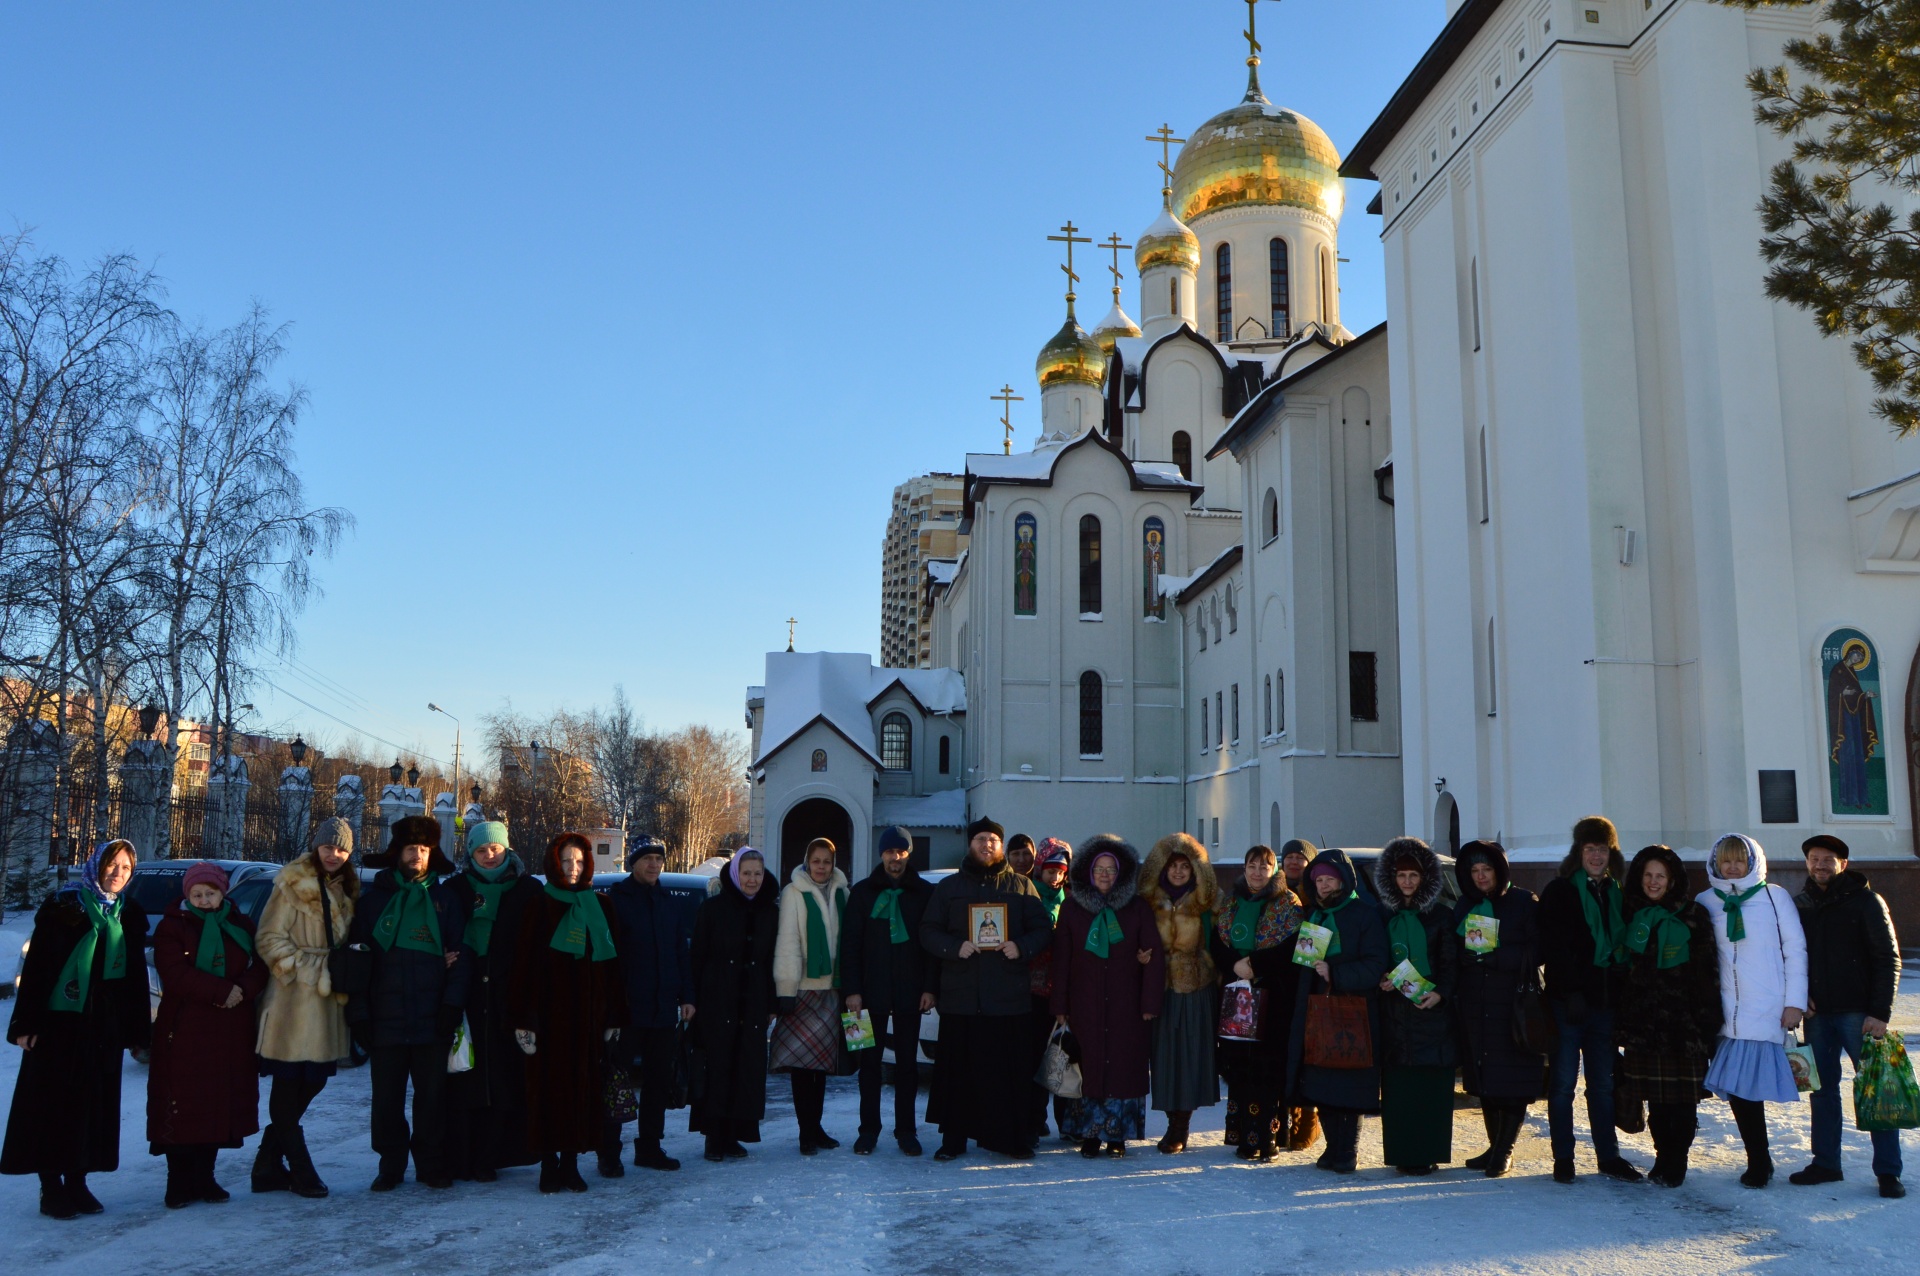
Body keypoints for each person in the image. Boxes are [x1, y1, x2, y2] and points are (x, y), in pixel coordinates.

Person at [2, 839, 151, 1219]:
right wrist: (25, 1023)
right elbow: (37, 969)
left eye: (126, 868)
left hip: (103, 1026)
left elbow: (134, 978)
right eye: (112, 865)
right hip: (59, 1023)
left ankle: (79, 1181)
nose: (118, 874)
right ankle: (51, 1187)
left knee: (93, 1106)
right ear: (96, 864)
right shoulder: (63, 907)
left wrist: (136, 1032)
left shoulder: (128, 914)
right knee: (53, 1104)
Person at [347, 814, 468, 1192]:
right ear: (397, 852)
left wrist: (450, 1007)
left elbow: (460, 957)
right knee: (386, 1102)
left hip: (433, 1018)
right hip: (385, 1019)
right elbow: (357, 961)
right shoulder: (372, 902)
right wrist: (360, 1015)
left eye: (426, 849)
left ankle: (431, 1164)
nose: (418, 855)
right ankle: (391, 1165)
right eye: (411, 848)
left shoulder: (446, 900)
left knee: (432, 1100)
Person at [921, 817, 1052, 1161]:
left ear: (1000, 846)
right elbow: (928, 931)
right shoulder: (948, 888)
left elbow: (1043, 929)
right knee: (957, 1075)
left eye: (993, 840)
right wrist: (955, 947)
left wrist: (1021, 947)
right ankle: (953, 1140)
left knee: (1006, 1076)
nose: (986, 845)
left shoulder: (1022, 887)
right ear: (970, 844)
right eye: (981, 839)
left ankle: (1009, 1139)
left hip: (1007, 1001)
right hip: (962, 998)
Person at [146, 861, 268, 1207]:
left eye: (209, 893)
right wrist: (220, 992)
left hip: (230, 1029)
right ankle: (178, 1181)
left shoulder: (240, 924)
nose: (203, 899)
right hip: (185, 1029)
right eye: (196, 894)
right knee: (182, 1105)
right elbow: (174, 972)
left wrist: (243, 989)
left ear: (221, 893)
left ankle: (206, 1177)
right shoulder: (173, 928)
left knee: (218, 1103)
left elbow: (259, 965)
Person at [510, 831, 626, 1193]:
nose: (572, 868)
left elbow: (613, 969)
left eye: (578, 861)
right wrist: (525, 1020)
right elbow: (523, 966)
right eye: (565, 861)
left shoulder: (601, 906)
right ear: (553, 863)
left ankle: (572, 1163)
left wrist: (612, 1018)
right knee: (546, 1092)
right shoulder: (539, 904)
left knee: (582, 1091)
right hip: (549, 1017)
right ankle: (548, 1163)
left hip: (588, 1019)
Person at [1791, 834, 1904, 1198]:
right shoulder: (1802, 905)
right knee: (1820, 1091)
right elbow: (1793, 958)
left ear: (1843, 864)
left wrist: (1879, 1012)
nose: (1820, 864)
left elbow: (1888, 959)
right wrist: (1799, 996)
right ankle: (1826, 1163)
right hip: (1819, 1015)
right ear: (1807, 863)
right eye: (1813, 858)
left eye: (1828, 859)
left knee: (1877, 1090)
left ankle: (1888, 1172)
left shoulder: (1867, 902)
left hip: (1860, 1015)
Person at [253, 819, 357, 1199]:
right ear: (317, 847)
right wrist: (306, 968)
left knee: (313, 1081)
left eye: (342, 849)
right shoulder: (292, 884)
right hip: (293, 1002)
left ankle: (266, 1164)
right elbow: (268, 937)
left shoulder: (344, 888)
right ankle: (300, 1169)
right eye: (328, 847)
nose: (334, 854)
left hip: (326, 1002)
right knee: (289, 1083)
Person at [1699, 833, 1808, 1189]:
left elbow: (1795, 950)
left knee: (1753, 1088)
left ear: (1753, 862)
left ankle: (1775, 1160)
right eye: (1725, 860)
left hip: (1767, 1007)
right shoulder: (1705, 901)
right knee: (1740, 1091)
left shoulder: (1773, 897)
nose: (1732, 867)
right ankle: (1759, 1160)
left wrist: (1795, 1001)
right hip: (1727, 1012)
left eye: (1739, 860)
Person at [1050, 836, 1166, 1156]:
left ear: (1121, 874)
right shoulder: (1072, 908)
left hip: (1126, 1005)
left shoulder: (1137, 908)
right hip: (1083, 1003)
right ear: (1088, 871)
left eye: (1110, 870)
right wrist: (1060, 1004)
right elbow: (1061, 960)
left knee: (1122, 1068)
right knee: (1089, 1068)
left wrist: (1149, 1003)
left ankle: (1117, 1136)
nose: (1104, 875)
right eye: (1098, 869)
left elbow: (1153, 956)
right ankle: (1089, 1134)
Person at [1538, 815, 1638, 1183]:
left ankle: (1607, 1156)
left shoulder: (1618, 892)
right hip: (1569, 1005)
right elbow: (1555, 947)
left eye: (1603, 849)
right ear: (1578, 851)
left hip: (1605, 1006)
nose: (1597, 856)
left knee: (1602, 1084)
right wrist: (1572, 992)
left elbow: (1623, 948)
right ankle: (1563, 1156)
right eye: (1590, 848)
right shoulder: (1560, 890)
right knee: (1563, 1083)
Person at [1615, 844, 1721, 1188]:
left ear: (1672, 879)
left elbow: (1707, 971)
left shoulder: (1693, 914)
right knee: (1657, 1101)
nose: (1653, 881)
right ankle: (1662, 1156)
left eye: (1660, 875)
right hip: (1644, 1024)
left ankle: (1677, 1160)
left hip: (1684, 1023)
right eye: (1647, 875)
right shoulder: (1630, 913)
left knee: (1683, 1101)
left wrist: (1707, 1020)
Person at [444, 820, 541, 1183]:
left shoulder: (529, 890)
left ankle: (493, 1155)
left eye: (494, 848)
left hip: (509, 996)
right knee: (464, 1079)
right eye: (481, 850)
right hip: (466, 995)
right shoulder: (454, 889)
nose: (488, 855)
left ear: (507, 849)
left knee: (504, 1080)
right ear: (470, 853)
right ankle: (461, 1156)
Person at [1288, 848, 1390, 1174]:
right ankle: (1333, 1146)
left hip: (1354, 1012)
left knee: (1351, 1084)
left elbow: (1376, 963)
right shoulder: (1313, 915)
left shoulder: (1364, 913)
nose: (1324, 885)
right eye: (1319, 880)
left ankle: (1348, 1149)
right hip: (1318, 1011)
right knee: (1321, 1082)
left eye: (1330, 879)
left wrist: (1337, 974)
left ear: (1344, 880)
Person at [841, 825, 936, 1155]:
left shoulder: (924, 893)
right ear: (880, 854)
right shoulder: (863, 892)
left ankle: (906, 1131)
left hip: (910, 994)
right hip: (866, 996)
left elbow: (930, 946)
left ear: (909, 854)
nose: (895, 858)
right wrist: (851, 990)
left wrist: (929, 988)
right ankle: (868, 1129)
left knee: (907, 1066)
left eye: (901, 852)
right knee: (869, 1064)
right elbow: (849, 944)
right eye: (889, 852)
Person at [1449, 840, 1542, 1177]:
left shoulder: (1522, 902)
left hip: (1512, 1003)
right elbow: (1453, 945)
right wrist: (1463, 957)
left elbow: (1538, 949)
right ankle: (1494, 1146)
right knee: (1485, 1077)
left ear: (1499, 870)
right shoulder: (1465, 906)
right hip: (1476, 1002)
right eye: (1474, 871)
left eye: (1486, 869)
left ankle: (1505, 1150)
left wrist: (1498, 957)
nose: (1480, 876)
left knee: (1512, 1078)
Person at [603, 836, 694, 1173]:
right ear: (633, 863)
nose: (654, 865)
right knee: (617, 1081)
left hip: (662, 1009)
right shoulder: (617, 901)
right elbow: (608, 958)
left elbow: (680, 953)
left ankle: (649, 1147)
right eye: (647, 859)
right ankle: (608, 1150)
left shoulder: (668, 901)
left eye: (659, 858)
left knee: (657, 1082)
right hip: (627, 1010)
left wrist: (687, 996)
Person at [1207, 844, 1302, 1160]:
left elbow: (1291, 947)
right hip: (1237, 992)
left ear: (1274, 870)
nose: (1258, 872)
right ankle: (1243, 1136)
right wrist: (1235, 964)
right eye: (1252, 865)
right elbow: (1217, 941)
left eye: (1265, 866)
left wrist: (1257, 966)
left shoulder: (1288, 903)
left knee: (1267, 1067)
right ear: (1244, 868)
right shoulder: (1231, 902)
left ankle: (1267, 1137)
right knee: (1239, 1065)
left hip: (1273, 996)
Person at [1372, 838, 1457, 1176]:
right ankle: (1403, 1153)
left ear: (1425, 879)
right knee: (1400, 1092)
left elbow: (1451, 964)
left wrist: (1441, 994)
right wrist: (1380, 977)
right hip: (1393, 1016)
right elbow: (1373, 956)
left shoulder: (1440, 916)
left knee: (1430, 1090)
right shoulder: (1380, 915)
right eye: (1401, 875)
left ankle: (1429, 1151)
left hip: (1431, 1015)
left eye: (1413, 876)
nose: (1407, 881)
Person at [689, 848, 779, 1162]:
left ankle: (734, 1134)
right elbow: (697, 957)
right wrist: (693, 999)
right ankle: (714, 1136)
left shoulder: (770, 912)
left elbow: (771, 961)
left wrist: (771, 1002)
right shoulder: (713, 909)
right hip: (718, 1000)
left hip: (753, 1002)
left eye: (757, 873)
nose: (752, 879)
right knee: (719, 1067)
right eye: (746, 872)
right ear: (734, 874)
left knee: (746, 1069)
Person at [1140, 833, 1219, 1154]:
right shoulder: (1147, 902)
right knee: (1163, 1057)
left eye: (1184, 866)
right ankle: (1172, 1118)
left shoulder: (1208, 902)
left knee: (1189, 1056)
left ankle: (1180, 1126)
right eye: (1172, 865)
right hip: (1158, 987)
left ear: (1195, 869)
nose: (1177, 871)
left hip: (1195, 988)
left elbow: (1224, 941)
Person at [771, 837, 850, 1155]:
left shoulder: (844, 892)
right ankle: (806, 1131)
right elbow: (787, 941)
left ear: (834, 864)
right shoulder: (793, 893)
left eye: (827, 862)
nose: (821, 867)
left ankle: (816, 1127)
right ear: (807, 861)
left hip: (833, 991)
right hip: (804, 990)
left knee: (822, 1068)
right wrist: (786, 988)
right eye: (816, 861)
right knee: (803, 1067)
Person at [1025, 838, 1072, 1142]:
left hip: (1063, 990)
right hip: (1032, 992)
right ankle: (1034, 1117)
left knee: (1062, 1057)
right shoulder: (1029, 897)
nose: (1054, 877)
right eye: (1050, 870)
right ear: (1040, 868)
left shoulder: (1070, 901)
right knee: (1034, 1057)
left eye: (1060, 871)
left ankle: (1066, 1121)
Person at [1276, 837, 1318, 1151]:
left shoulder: (1317, 895)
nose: (1293, 862)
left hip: (1311, 979)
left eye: (1299, 858)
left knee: (1308, 1052)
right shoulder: (1273, 893)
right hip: (1280, 980)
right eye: (1289, 856)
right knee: (1281, 1053)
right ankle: (1281, 1118)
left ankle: (1308, 1118)